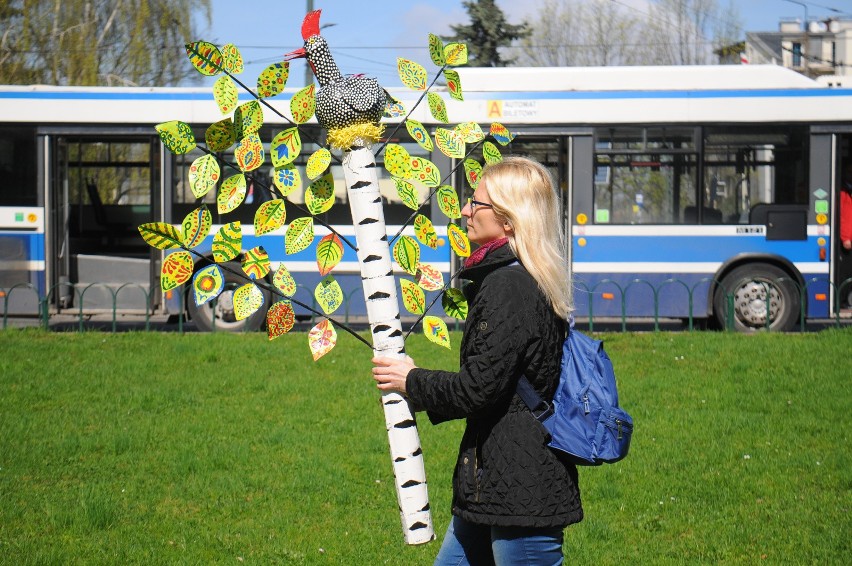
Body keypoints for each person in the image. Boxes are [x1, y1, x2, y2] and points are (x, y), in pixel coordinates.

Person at [373, 156, 582, 565]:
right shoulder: (516, 277)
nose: (465, 210)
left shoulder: (507, 286)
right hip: (491, 480)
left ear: (508, 219)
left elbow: (478, 390)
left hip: (519, 490)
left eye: (477, 204)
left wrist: (410, 380)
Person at [841, 161, 852, 252]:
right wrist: (845, 237)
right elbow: (843, 216)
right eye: (849, 172)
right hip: (848, 240)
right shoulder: (843, 192)